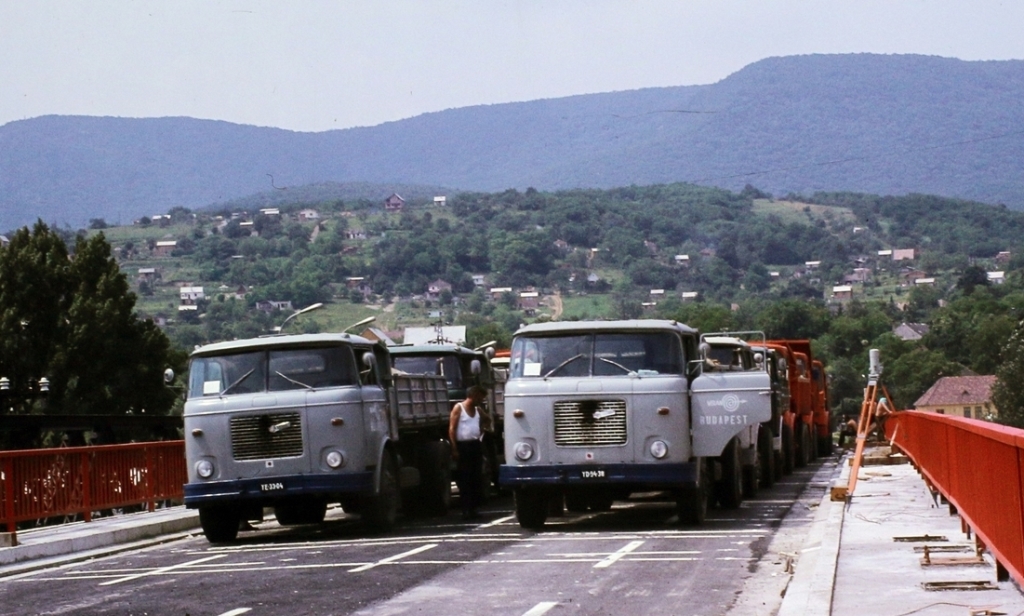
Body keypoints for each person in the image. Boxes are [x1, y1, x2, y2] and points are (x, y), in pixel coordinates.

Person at [449, 385, 489, 520]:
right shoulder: (459, 408)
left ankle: (473, 509)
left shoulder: (478, 410)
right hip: (463, 447)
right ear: (474, 395)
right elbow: (452, 429)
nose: (481, 400)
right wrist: (454, 448)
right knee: (464, 479)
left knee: (476, 478)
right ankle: (466, 509)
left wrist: (482, 431)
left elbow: (487, 419)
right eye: (480, 397)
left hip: (475, 445)